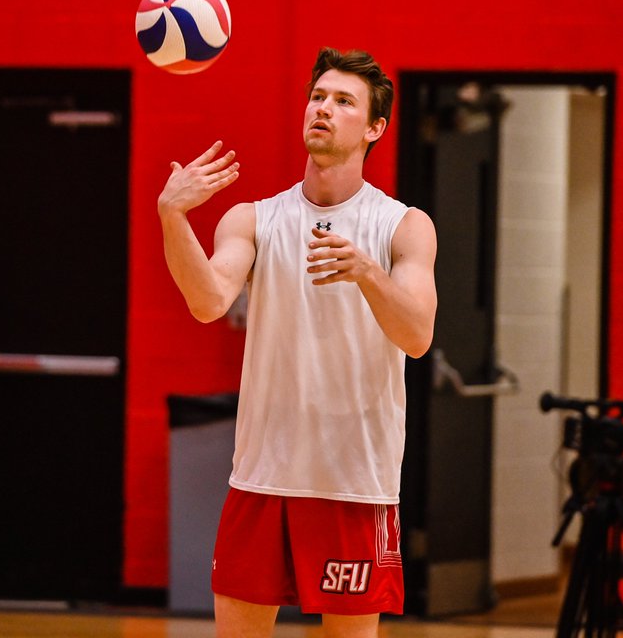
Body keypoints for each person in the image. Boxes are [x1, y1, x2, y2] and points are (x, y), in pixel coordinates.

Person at [158, 47, 438, 638]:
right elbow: (208, 301)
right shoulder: (254, 219)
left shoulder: (402, 226)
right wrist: (173, 218)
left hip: (354, 481)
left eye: (343, 101)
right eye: (318, 97)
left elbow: (416, 336)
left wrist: (367, 273)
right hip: (262, 476)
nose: (324, 109)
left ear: (374, 128)